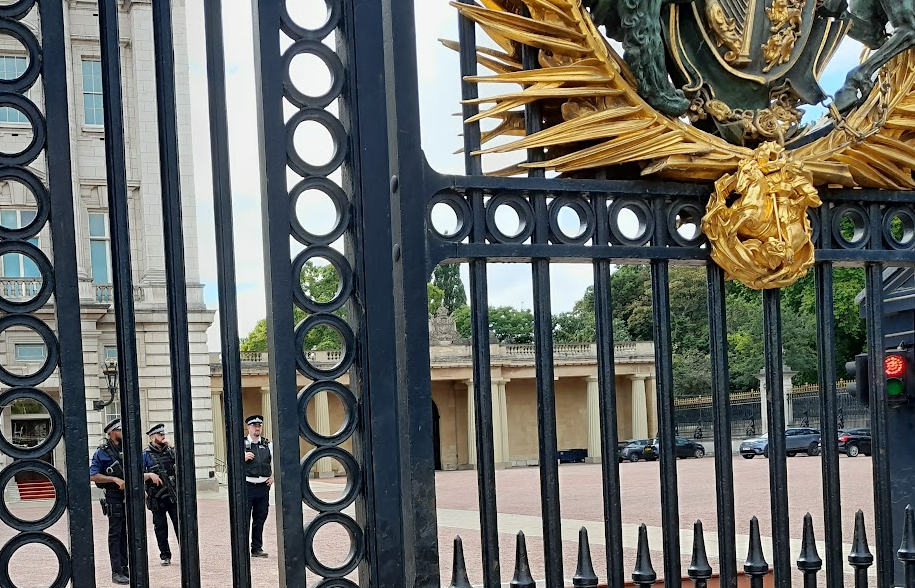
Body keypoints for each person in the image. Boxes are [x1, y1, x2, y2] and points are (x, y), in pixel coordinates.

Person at [90, 418, 162, 585]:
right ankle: (116, 571)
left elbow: (134, 473)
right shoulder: (102, 452)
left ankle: (126, 568)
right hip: (114, 497)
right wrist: (114, 479)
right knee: (116, 535)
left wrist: (144, 483)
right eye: (121, 430)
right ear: (112, 432)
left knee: (128, 534)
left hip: (130, 497)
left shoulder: (127, 450)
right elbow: (93, 475)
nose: (124, 433)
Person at [143, 423, 179, 566]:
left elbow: (183, 463)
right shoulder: (145, 455)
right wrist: (149, 475)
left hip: (172, 495)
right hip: (156, 497)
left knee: (179, 524)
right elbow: (136, 474)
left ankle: (185, 552)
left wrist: (173, 447)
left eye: (163, 434)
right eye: (159, 435)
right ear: (152, 438)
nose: (163, 437)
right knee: (160, 527)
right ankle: (165, 555)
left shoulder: (170, 451)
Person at [244, 414, 273, 558]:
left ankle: (257, 548)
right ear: (248, 428)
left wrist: (274, 477)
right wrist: (241, 458)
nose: (257, 428)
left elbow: (278, 462)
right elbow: (231, 465)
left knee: (260, 518)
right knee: (244, 519)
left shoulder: (268, 444)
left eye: (259, 426)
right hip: (247, 486)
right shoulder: (241, 444)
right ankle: (242, 549)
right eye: (254, 426)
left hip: (263, 487)